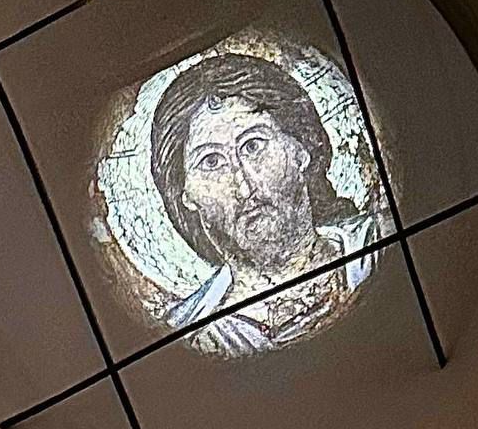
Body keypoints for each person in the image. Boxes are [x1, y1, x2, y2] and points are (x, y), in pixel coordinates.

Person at [149, 52, 376, 355]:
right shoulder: (187, 334)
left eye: (253, 145)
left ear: (301, 148)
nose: (243, 187)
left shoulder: (377, 244)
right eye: (211, 161)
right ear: (186, 195)